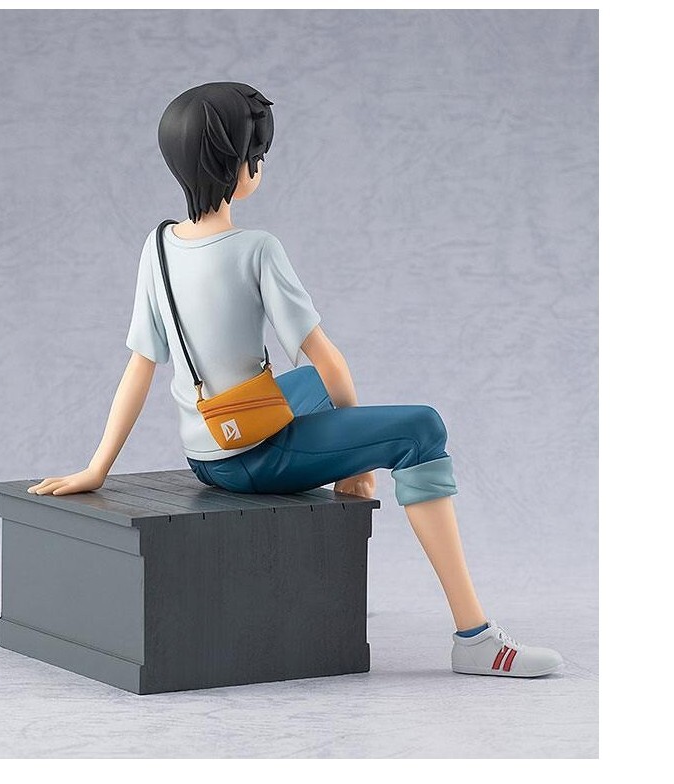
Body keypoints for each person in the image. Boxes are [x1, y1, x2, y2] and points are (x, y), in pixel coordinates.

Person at [28, 82, 563, 678]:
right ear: (240, 165)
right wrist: (357, 467)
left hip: (207, 451)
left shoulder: (155, 247)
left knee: (305, 384)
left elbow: (140, 365)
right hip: (253, 459)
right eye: (258, 154)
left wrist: (96, 468)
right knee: (421, 430)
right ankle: (475, 638)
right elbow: (327, 357)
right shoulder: (257, 248)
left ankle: (338, 566)